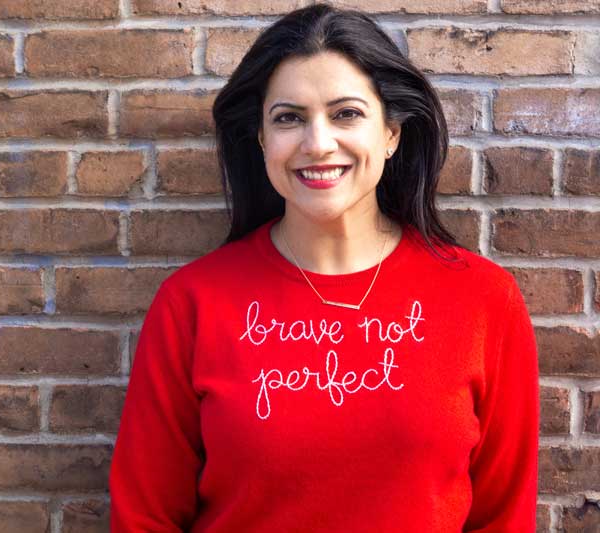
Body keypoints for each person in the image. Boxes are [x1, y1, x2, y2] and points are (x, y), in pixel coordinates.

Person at [109, 4, 539, 532]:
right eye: (289, 118)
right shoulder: (194, 302)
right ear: (263, 139)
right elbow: (144, 516)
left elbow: (504, 516)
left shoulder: (482, 299)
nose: (317, 143)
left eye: (346, 114)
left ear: (392, 133)